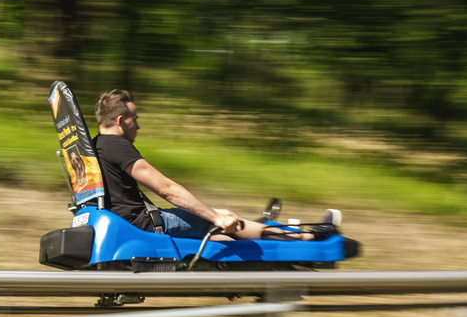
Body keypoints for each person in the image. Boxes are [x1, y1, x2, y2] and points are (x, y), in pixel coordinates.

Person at [92, 89, 340, 241]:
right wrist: (215, 217)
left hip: (125, 220)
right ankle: (307, 238)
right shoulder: (117, 145)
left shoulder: (95, 145)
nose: (139, 126)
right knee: (226, 218)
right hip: (143, 224)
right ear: (120, 120)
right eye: (135, 120)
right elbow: (167, 189)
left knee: (225, 232)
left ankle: (276, 246)